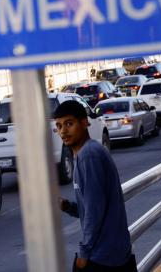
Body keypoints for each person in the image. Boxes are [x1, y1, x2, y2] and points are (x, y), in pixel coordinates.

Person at [55, 100, 136, 272]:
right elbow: (94, 205)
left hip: (103, 257)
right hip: (112, 253)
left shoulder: (89, 155)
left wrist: (84, 254)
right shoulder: (85, 154)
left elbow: (94, 210)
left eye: (69, 123)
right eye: (59, 126)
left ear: (85, 122)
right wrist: (68, 207)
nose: (63, 131)